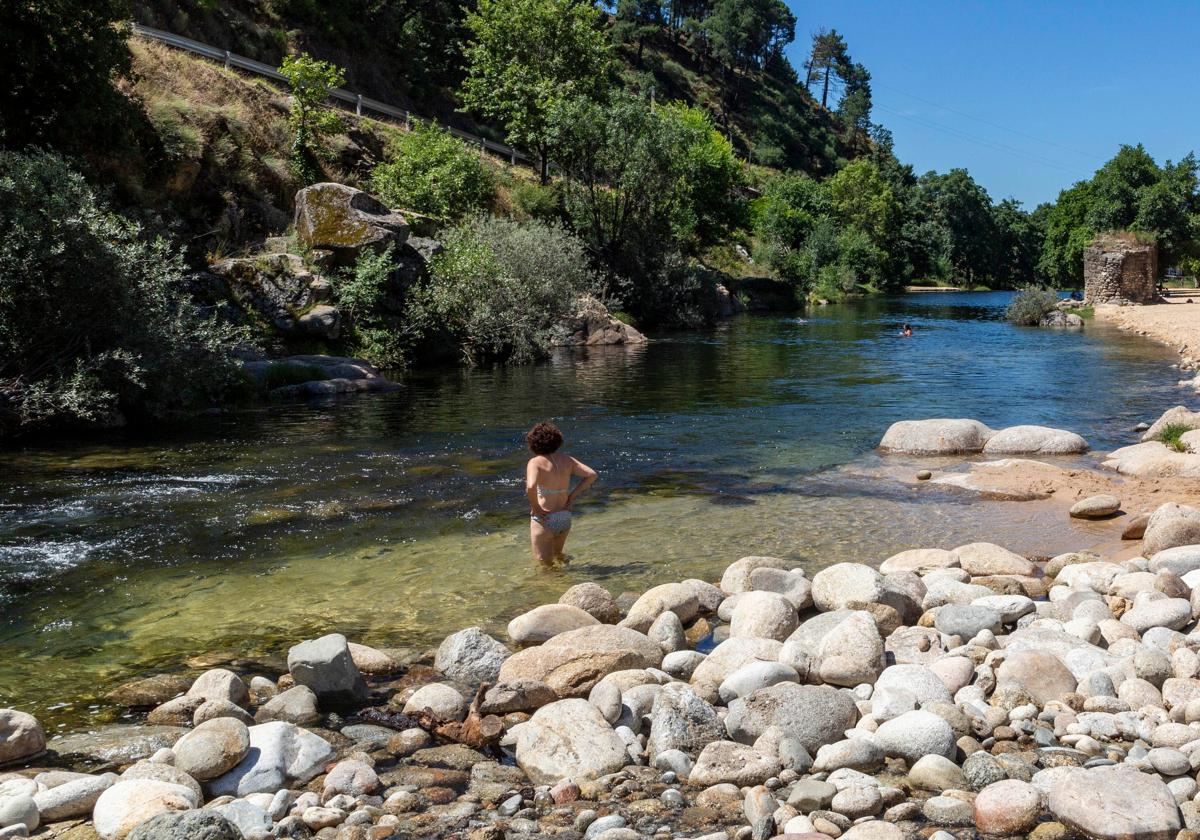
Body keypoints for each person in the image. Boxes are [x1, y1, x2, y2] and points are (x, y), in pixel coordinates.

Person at [524, 421, 597, 564]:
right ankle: (567, 580)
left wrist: (536, 507)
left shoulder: (535, 462)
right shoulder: (567, 459)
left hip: (545, 518)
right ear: (557, 440)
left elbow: (530, 486)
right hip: (564, 516)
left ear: (533, 442)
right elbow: (592, 475)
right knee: (558, 555)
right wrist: (571, 498)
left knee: (545, 565)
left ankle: (555, 586)